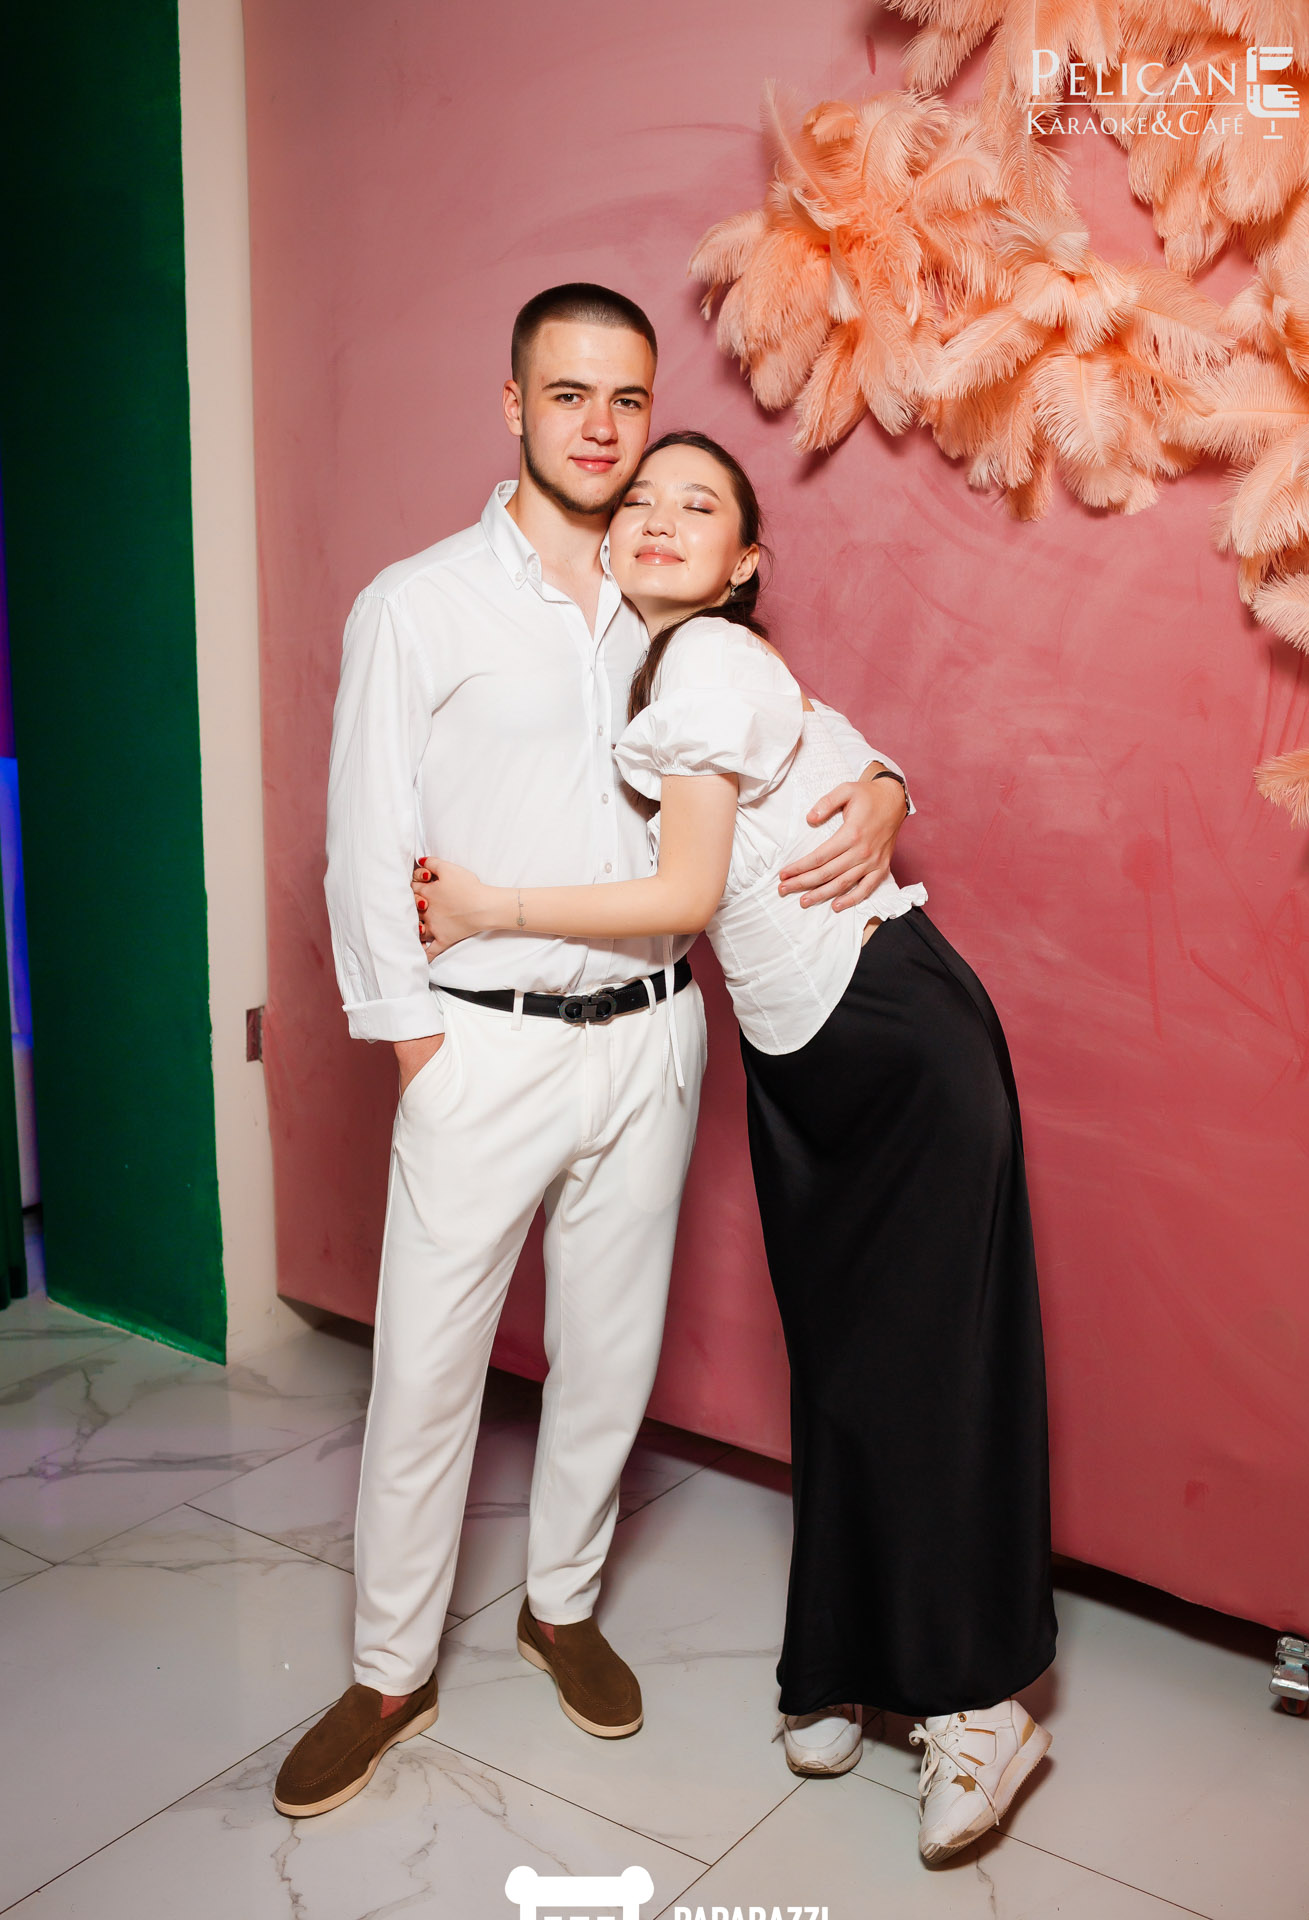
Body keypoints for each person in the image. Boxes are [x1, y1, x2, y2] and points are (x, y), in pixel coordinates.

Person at [273, 289, 910, 1819]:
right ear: (513, 405)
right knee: (426, 1375)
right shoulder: (417, 605)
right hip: (481, 1045)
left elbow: (796, 729)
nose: (601, 427)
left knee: (610, 1354)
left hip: (651, 1038)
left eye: (626, 398)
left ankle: (558, 1608)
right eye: (567, 395)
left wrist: (888, 785)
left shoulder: (665, 591)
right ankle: (388, 1672)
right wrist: (418, 1054)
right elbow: (362, 847)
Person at [414, 430, 1059, 1865]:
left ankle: (982, 1705)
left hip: (892, 1040)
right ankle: (845, 1659)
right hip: (806, 1057)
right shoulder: (671, 671)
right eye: (640, 497)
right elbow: (842, 755)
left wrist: (485, 907)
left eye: (696, 504)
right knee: (843, 1368)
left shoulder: (705, 660)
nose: (657, 515)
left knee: (929, 1371)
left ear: (742, 562)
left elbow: (683, 895)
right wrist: (887, 779)